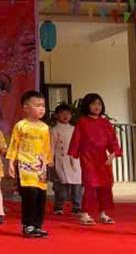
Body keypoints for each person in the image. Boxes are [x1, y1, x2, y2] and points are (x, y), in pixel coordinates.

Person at [68, 93, 122, 225]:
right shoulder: (82, 122)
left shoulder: (105, 123)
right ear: (87, 106)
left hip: (102, 159)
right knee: (90, 185)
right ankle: (85, 213)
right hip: (87, 157)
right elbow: (76, 140)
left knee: (105, 186)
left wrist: (113, 154)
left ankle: (103, 213)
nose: (96, 106)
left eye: (99, 104)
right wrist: (73, 156)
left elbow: (112, 141)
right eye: (93, 104)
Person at [6, 90, 52, 238]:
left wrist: (48, 162)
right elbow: (14, 144)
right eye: (37, 105)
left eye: (43, 105)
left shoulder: (44, 127)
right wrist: (11, 162)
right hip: (25, 165)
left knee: (41, 195)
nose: (41, 108)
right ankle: (28, 225)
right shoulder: (21, 126)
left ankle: (38, 225)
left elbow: (47, 146)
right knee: (30, 194)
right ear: (26, 108)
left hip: (40, 166)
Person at [50, 103, 82, 215]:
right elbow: (52, 146)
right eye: (62, 113)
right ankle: (58, 206)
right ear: (56, 115)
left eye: (68, 113)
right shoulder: (54, 130)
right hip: (61, 161)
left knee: (77, 185)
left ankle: (77, 207)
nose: (65, 116)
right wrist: (50, 160)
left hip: (74, 160)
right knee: (61, 186)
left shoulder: (75, 129)